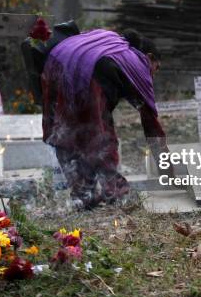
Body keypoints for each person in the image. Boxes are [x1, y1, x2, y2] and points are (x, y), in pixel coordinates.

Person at [41, 28, 170, 209]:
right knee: (102, 138)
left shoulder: (110, 41)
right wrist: (167, 168)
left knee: (67, 133)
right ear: (148, 57)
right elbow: (151, 123)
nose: (153, 75)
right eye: (156, 68)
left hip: (54, 65)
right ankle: (116, 194)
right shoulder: (138, 62)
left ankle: (84, 194)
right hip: (87, 73)